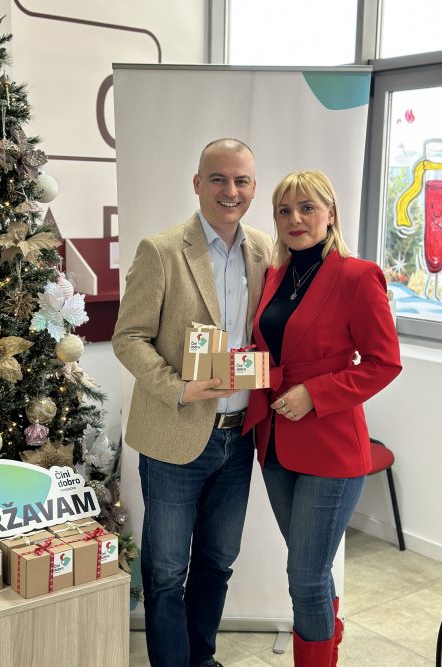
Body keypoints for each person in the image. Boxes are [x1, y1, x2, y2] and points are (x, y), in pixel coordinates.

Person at [112, 138, 273, 667]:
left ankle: (201, 659)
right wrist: (179, 388)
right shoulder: (160, 250)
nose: (231, 191)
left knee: (217, 563)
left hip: (238, 438)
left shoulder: (264, 250)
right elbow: (128, 337)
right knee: (165, 574)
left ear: (253, 187)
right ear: (198, 183)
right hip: (174, 435)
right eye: (219, 179)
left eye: (242, 180)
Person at [243, 170, 402, 667]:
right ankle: (326, 647)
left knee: (305, 577)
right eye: (284, 210)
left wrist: (315, 393)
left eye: (307, 207)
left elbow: (384, 363)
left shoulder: (358, 276)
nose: (295, 219)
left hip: (330, 446)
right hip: (272, 441)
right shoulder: (274, 275)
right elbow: (271, 348)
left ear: (330, 213)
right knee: (310, 570)